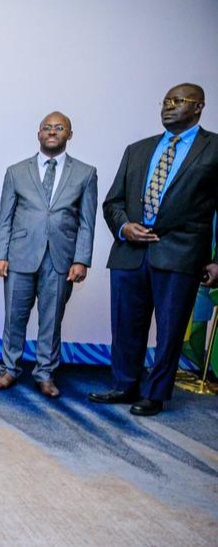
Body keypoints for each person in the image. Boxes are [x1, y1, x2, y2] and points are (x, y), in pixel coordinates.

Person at [89, 83, 218, 416]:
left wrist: (217, 260)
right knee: (125, 325)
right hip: (130, 253)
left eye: (179, 101)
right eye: (166, 101)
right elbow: (113, 202)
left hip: (180, 253)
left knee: (170, 329)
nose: (169, 106)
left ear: (199, 107)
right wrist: (124, 227)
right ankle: (124, 385)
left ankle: (155, 393)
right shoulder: (138, 149)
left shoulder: (214, 149)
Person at [0, 112, 98, 397]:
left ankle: (45, 373)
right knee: (14, 317)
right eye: (47, 127)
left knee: (51, 320)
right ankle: (9, 369)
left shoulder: (86, 173)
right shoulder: (16, 171)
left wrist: (81, 259)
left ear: (69, 134)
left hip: (61, 258)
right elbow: (5, 217)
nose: (52, 131)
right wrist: (0, 254)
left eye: (59, 127)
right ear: (38, 133)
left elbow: (87, 221)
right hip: (19, 256)